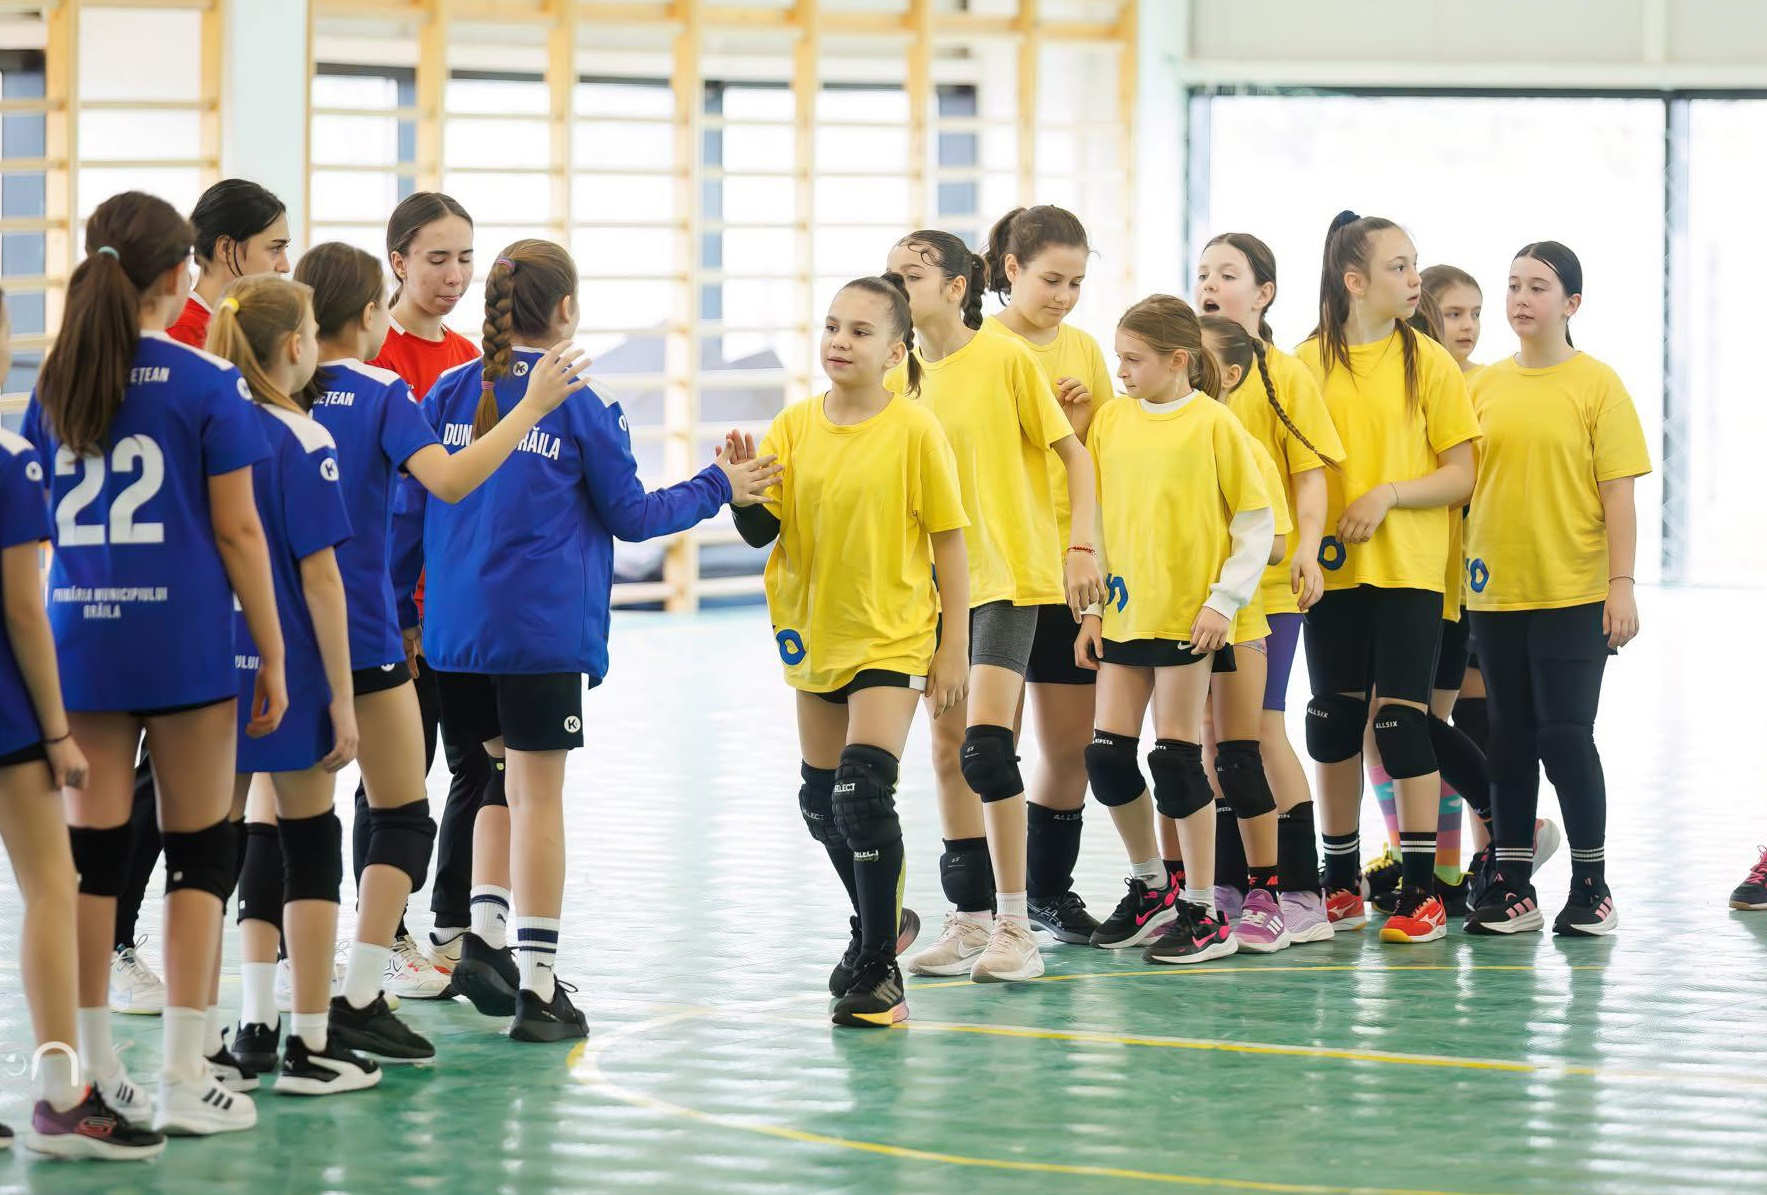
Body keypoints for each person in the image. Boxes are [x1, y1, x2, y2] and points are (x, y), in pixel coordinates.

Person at [418, 239, 776, 1040]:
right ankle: (539, 985)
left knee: (491, 776)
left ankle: (486, 937)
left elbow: (412, 512)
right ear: (568, 311)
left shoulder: (445, 389)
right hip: (538, 632)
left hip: (455, 631)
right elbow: (632, 517)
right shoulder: (580, 401)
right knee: (538, 795)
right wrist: (720, 485)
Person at [25, 191, 285, 1135]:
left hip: (81, 644)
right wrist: (276, 652)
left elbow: (42, 525)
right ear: (180, 277)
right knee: (201, 852)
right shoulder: (205, 382)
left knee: (91, 865)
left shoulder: (54, 382)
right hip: (183, 648)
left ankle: (94, 1071)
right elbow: (241, 531)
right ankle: (183, 1069)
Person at [730, 274, 969, 1026]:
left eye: (860, 331)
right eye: (832, 326)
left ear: (896, 351)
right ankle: (882, 922)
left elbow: (949, 542)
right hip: (814, 631)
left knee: (863, 794)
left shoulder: (914, 430)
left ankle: (878, 969)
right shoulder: (794, 425)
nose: (839, 340)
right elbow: (761, 531)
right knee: (819, 801)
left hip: (892, 630)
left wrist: (952, 643)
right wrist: (742, 494)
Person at [884, 229, 1104, 985]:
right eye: (890, 273)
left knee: (984, 748)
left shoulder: (1003, 358)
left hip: (1009, 576)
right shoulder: (897, 375)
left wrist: (1082, 547)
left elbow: (1073, 455)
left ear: (955, 285)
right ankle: (969, 920)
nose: (896, 284)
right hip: (930, 591)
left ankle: (1017, 924)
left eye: (909, 273)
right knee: (945, 753)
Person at [0, 286, 164, 1158]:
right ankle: (63, 1094)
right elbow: (26, 610)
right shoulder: (11, 459)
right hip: (8, 715)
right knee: (51, 890)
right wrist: (58, 730)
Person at [1293, 212, 1479, 944]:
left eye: (1414, 265)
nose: (1414, 281)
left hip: (1409, 572)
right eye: (1399, 267)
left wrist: (1389, 494)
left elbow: (1460, 474)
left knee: (1401, 724)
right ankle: (1336, 879)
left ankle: (1420, 885)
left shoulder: (1426, 362)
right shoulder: (1303, 364)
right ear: (1354, 280)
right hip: (1330, 574)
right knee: (1331, 721)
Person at [1079, 294, 1273, 965]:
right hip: (1126, 613)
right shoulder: (1109, 421)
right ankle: (1152, 886)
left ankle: (1203, 910)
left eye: (1133, 359)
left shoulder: (1214, 426)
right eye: (1118, 358)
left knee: (1175, 758)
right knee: (1106, 756)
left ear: (1177, 360)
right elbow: (1097, 519)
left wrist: (1223, 602)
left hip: (1190, 618)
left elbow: (1256, 523)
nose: (1122, 370)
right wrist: (1093, 609)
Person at [1462, 242, 1647, 937]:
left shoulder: (1597, 384)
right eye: (1511, 285)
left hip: (1573, 590)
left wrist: (1619, 587)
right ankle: (1510, 879)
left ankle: (1592, 885)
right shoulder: (1479, 387)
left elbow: (1618, 497)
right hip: (1494, 590)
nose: (1519, 298)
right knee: (1507, 735)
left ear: (1570, 303)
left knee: (1564, 735)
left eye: (1536, 286)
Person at [1193, 232, 1344, 945]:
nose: (1209, 283)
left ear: (1262, 293)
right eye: (1202, 273)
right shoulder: (1181, 375)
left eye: (1227, 273)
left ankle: (1303, 893)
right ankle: (1231, 884)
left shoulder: (1284, 376)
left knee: (1256, 728)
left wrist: (1307, 550)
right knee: (1207, 738)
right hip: (1197, 590)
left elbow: (1310, 477)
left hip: (1268, 586)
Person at [978, 206, 1118, 944]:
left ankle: (1047, 893)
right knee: (982, 746)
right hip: (995, 569)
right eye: (1050, 279)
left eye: (1075, 282)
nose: (1063, 295)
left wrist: (1090, 416)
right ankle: (980, 903)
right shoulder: (972, 349)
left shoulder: (1084, 350)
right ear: (1010, 270)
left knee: (1069, 747)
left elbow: (1109, 457)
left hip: (1069, 571)